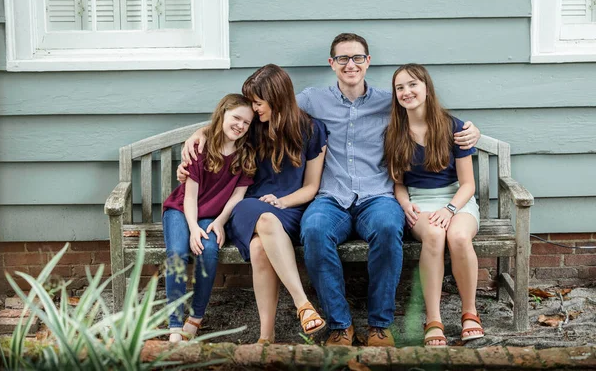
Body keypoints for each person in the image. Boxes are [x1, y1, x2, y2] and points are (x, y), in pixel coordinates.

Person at [180, 33, 480, 346]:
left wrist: (472, 129)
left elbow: (428, 113)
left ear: (367, 62)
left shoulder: (389, 101)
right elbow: (265, 112)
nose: (350, 64)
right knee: (314, 229)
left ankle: (380, 325)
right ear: (332, 64)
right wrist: (202, 132)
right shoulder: (312, 100)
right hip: (330, 198)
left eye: (357, 58)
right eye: (342, 59)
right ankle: (340, 326)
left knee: (389, 227)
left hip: (377, 196)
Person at [180, 64, 328, 343]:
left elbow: (311, 187)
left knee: (260, 246)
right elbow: (222, 127)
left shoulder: (312, 130)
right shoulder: (254, 128)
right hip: (246, 206)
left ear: (277, 98)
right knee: (263, 218)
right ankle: (303, 305)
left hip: (290, 209)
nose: (255, 108)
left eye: (259, 103)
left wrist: (283, 200)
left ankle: (265, 337)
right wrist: (198, 134)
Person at [385, 63, 483, 346]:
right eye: (400, 87)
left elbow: (468, 184)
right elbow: (398, 183)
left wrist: (450, 209)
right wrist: (405, 205)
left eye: (413, 84)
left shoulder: (454, 127)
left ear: (427, 88)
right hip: (419, 202)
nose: (407, 92)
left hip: (457, 199)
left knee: (460, 236)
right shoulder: (395, 132)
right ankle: (434, 318)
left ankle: (470, 313)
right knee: (434, 235)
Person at [162, 93, 257, 343]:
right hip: (182, 211)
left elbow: (237, 196)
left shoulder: (246, 154)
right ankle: (174, 324)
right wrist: (193, 227)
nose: (240, 125)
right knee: (177, 254)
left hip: (213, 216)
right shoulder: (201, 148)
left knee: (210, 250)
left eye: (246, 122)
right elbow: (189, 197)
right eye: (236, 117)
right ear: (223, 113)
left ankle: (195, 318)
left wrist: (221, 221)